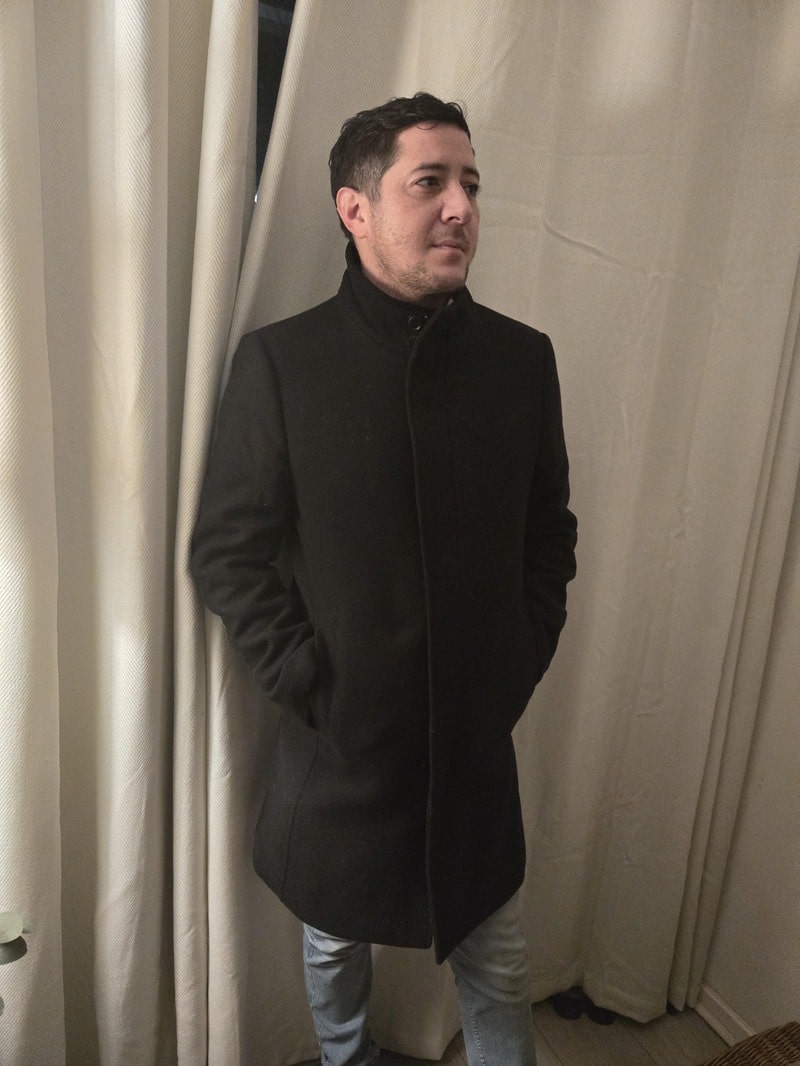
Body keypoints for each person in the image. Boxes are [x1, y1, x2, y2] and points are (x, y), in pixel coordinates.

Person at [191, 92, 577, 1066]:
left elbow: (548, 535)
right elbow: (229, 550)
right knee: (332, 945)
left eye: (471, 184)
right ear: (354, 209)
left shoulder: (521, 363)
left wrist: (517, 659)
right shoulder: (282, 365)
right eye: (430, 182)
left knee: (497, 963)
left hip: (474, 750)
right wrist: (312, 681)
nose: (460, 208)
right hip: (341, 753)